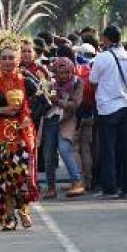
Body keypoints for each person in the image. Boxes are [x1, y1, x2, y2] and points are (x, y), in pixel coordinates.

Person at [0, 35, 41, 230]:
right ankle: (8, 216)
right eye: (3, 58)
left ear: (18, 59)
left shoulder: (27, 80)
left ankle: (23, 209)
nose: (7, 62)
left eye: (10, 57)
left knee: (20, 176)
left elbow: (44, 101)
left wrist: (29, 117)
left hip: (20, 137)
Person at [90, 25, 127, 198]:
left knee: (108, 150)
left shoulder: (102, 58)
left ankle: (109, 188)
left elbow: (93, 81)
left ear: (107, 39)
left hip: (107, 108)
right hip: (125, 105)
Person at [40, 57, 86, 199]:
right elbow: (45, 100)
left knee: (64, 148)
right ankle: (51, 187)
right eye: (60, 73)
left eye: (66, 72)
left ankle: (77, 181)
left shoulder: (78, 82)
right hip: (49, 119)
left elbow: (75, 104)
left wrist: (59, 102)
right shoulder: (50, 83)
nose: (63, 76)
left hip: (67, 119)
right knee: (48, 154)